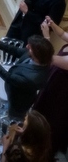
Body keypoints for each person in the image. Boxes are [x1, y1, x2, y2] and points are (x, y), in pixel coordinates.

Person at [0, 34, 53, 121]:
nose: (27, 47)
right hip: (14, 91)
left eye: (30, 47)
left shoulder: (33, 79)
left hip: (18, 102)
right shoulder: (35, 56)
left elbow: (9, 77)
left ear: (37, 53)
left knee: (13, 120)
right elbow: (15, 50)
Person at [33, 16, 68, 154]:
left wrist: (46, 36)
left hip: (60, 92)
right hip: (54, 82)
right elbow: (62, 34)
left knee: (50, 119)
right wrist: (53, 25)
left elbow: (49, 58)